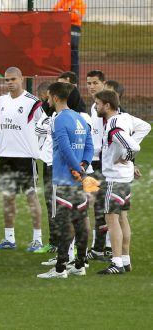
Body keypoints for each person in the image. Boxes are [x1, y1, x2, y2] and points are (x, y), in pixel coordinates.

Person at [37, 82, 94, 279]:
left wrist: (76, 168)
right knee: (80, 221)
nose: (47, 100)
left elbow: (64, 147)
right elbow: (89, 146)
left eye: (48, 96)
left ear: (54, 97)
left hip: (63, 179)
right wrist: (83, 166)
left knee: (63, 224)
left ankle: (60, 268)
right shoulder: (79, 117)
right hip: (79, 179)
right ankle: (79, 264)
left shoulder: (59, 119)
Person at [94, 90, 150, 274]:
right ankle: (125, 260)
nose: (95, 106)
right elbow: (145, 127)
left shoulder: (113, 126)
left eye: (98, 103)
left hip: (114, 178)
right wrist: (128, 155)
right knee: (123, 218)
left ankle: (116, 263)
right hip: (125, 177)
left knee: (112, 219)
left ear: (107, 105)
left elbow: (133, 146)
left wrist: (127, 154)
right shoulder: (124, 117)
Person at [0, 67, 44, 252]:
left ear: (22, 79)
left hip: (25, 157)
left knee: (31, 196)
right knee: (8, 197)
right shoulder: (2, 100)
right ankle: (9, 238)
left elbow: (44, 125)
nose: (10, 83)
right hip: (6, 156)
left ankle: (37, 239)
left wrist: (37, 147)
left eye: (13, 79)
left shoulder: (32, 102)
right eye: (7, 80)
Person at [85, 70, 110, 261]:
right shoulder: (93, 107)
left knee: (102, 206)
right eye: (88, 83)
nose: (91, 86)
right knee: (93, 204)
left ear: (103, 83)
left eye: (95, 83)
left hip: (102, 164)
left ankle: (102, 248)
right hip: (91, 165)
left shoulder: (107, 109)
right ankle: (100, 247)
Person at [33, 82, 59, 254]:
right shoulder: (47, 113)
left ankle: (62, 245)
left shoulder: (55, 116)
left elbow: (40, 130)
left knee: (57, 205)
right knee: (51, 203)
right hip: (47, 162)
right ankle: (54, 242)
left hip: (56, 165)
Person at [53, 0, 86, 75]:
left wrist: (62, 12)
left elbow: (76, 16)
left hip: (73, 28)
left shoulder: (79, 2)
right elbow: (54, 13)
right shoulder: (62, 2)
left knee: (73, 53)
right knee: (61, 55)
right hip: (61, 27)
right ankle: (63, 79)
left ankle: (74, 80)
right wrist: (68, 13)